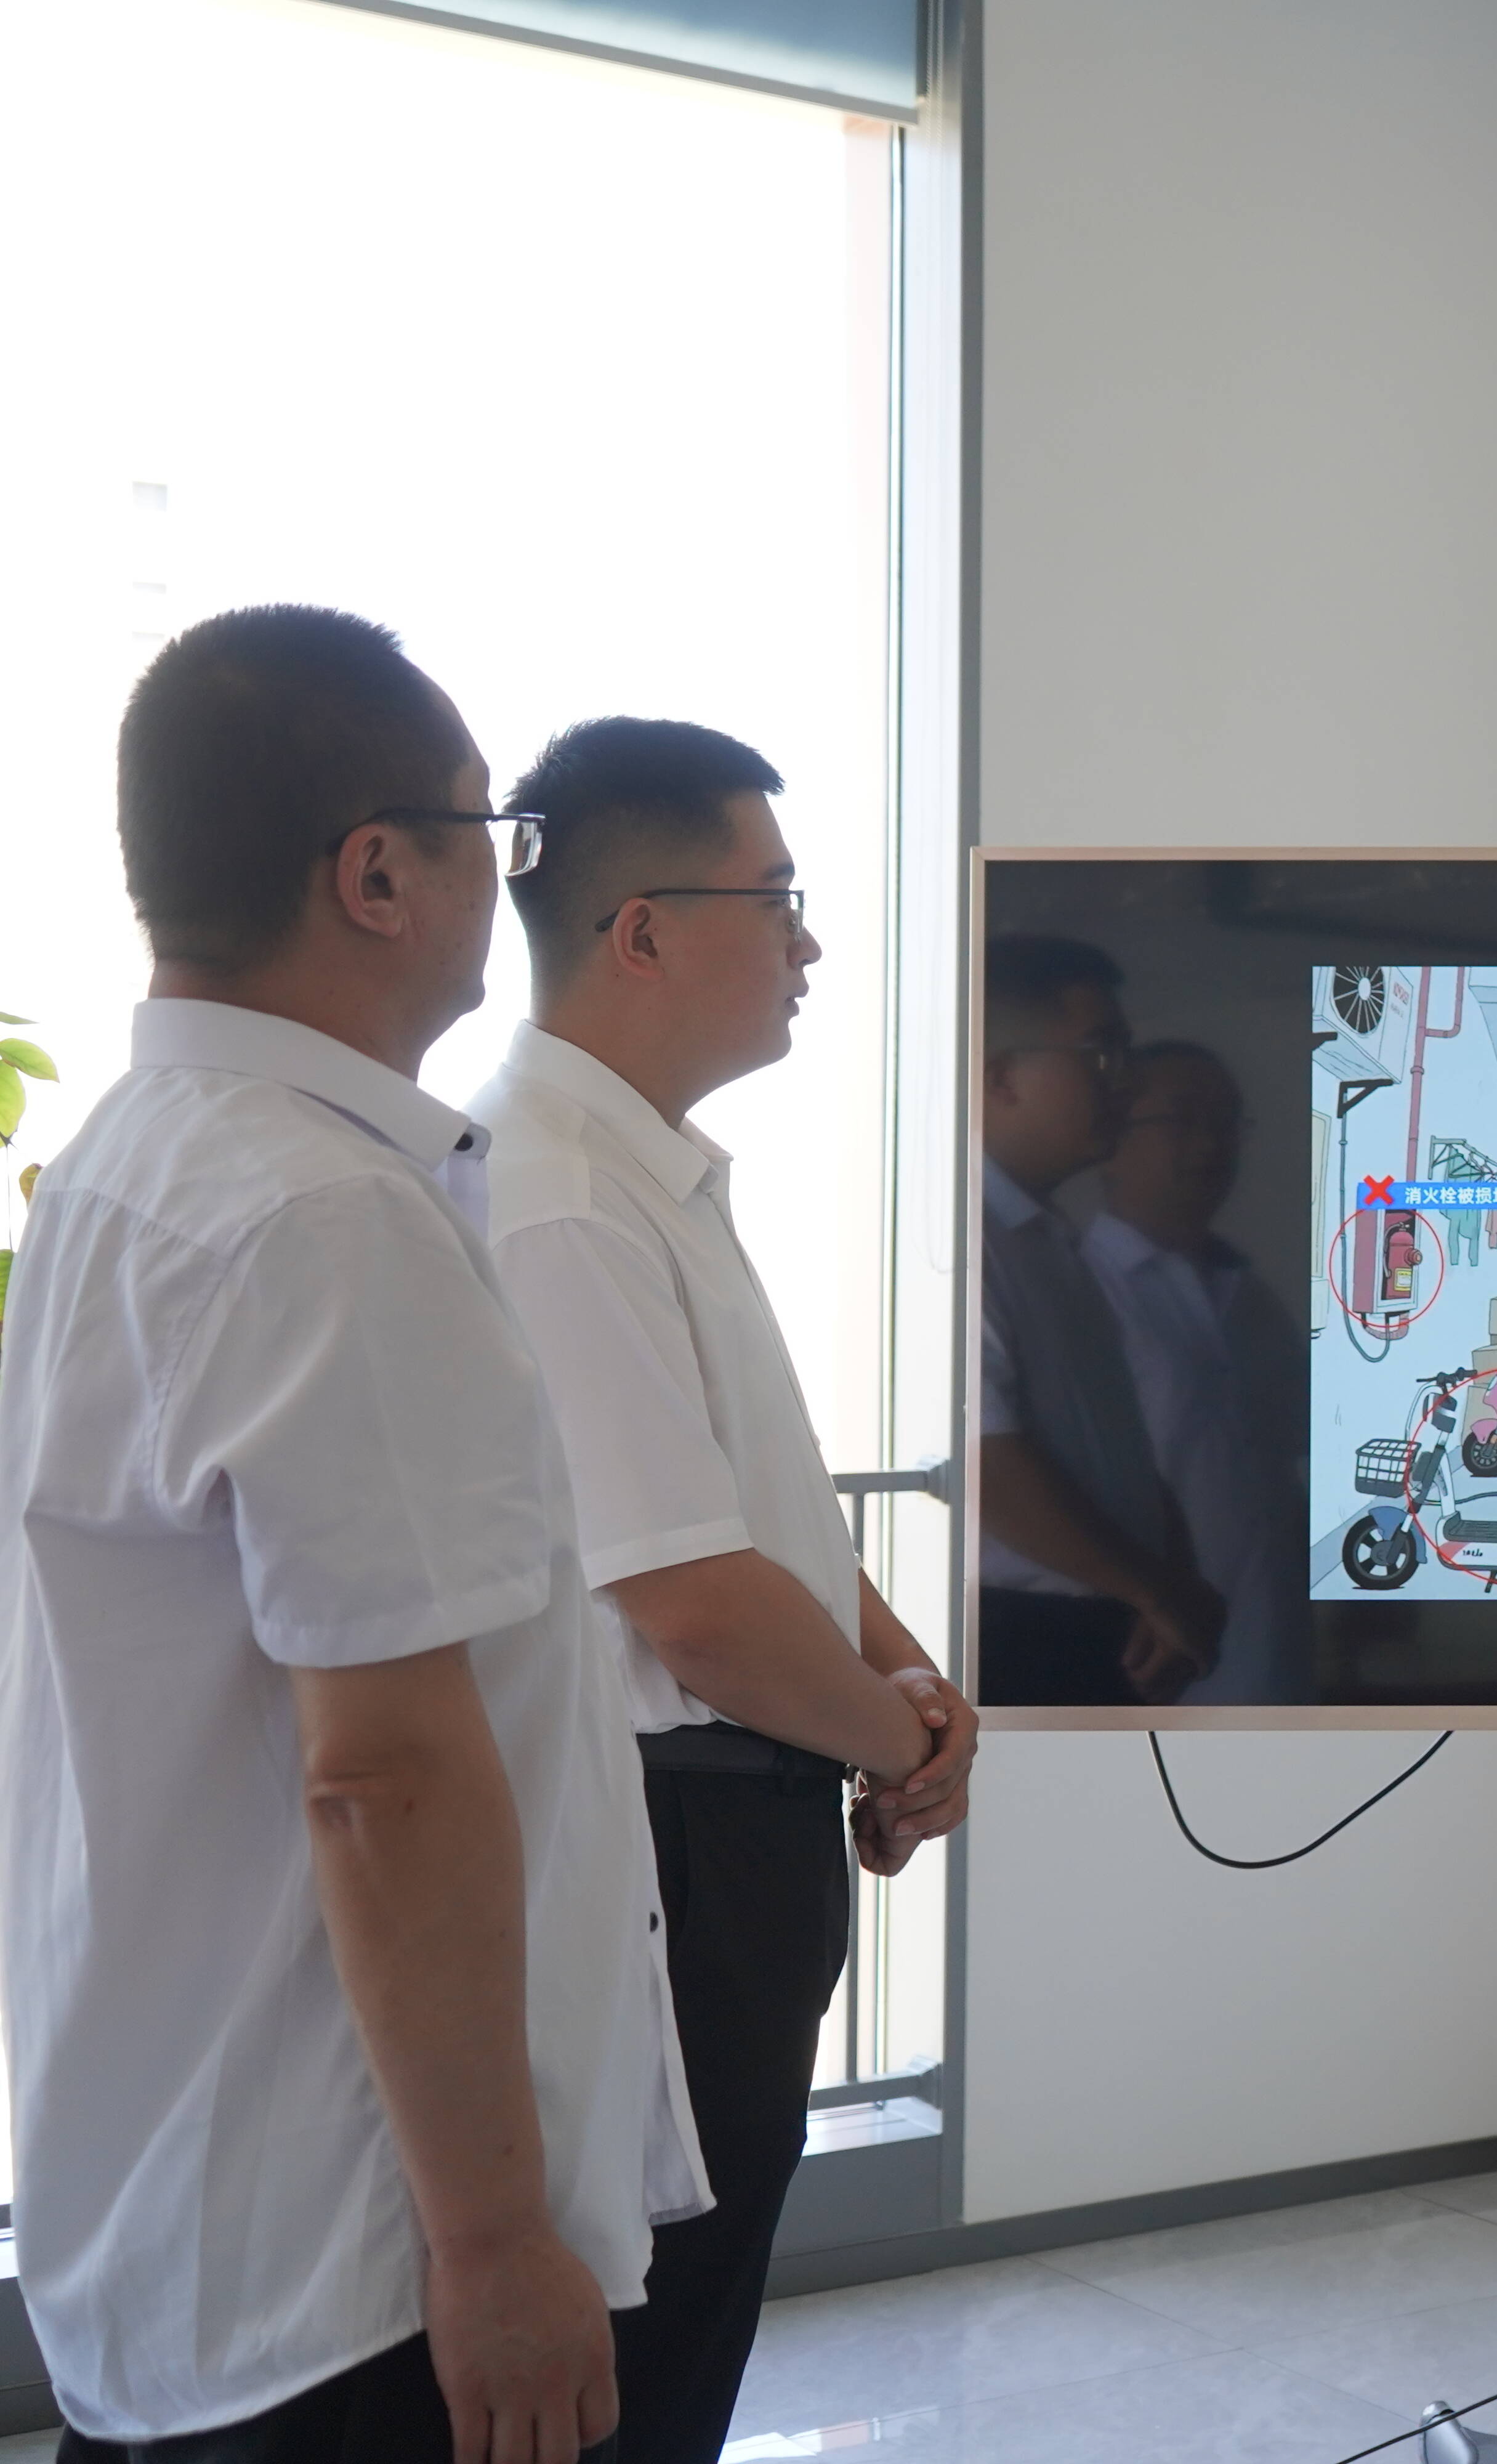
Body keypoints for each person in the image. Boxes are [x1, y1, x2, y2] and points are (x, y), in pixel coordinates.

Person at [0, 607, 698, 2462]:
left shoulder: (134, 1156)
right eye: (489, 832)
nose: (504, 882)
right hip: (361, 2269)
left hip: (197, 2219)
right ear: (377, 874)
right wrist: (493, 2243)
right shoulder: (328, 1215)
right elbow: (383, 1773)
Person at [473, 716, 982, 2464]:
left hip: (737, 1823)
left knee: (696, 2330)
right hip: (666, 1843)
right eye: (778, 900)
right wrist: (904, 1739)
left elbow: (765, 1516)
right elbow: (687, 1598)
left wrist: (914, 1694)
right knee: (648, 2358)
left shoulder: (646, 1172)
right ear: (643, 931)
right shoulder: (555, 1189)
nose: (811, 944)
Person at [976, 933, 1219, 1705]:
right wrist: (1155, 1589)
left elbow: (1114, 1452)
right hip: (1020, 1635)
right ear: (1001, 1075)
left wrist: (1169, 1583)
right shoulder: (958, 1239)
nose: (1127, 1082)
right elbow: (986, 1464)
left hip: (1108, 1619)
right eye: (1101, 1054)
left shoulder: (1045, 1236)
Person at [1081, 1041, 1309, 1703]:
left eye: (1226, 1122)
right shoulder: (1084, 1290)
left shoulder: (1252, 1299)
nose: (1211, 1144)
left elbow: (1292, 1467)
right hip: (1152, 1668)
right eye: (1182, 1120)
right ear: (1113, 1138)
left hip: (1279, 1655)